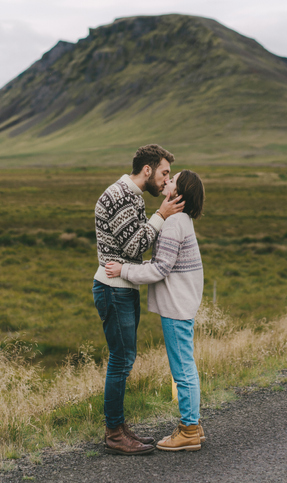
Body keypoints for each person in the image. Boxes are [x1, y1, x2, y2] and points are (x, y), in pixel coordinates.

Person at [93, 144, 185, 455]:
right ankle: (114, 434)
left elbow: (132, 248)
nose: (165, 180)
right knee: (121, 360)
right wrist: (161, 215)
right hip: (113, 287)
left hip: (122, 286)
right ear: (147, 170)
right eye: (164, 173)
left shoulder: (130, 195)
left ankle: (118, 428)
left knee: (124, 359)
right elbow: (134, 246)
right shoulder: (122, 195)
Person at [106, 169, 206, 452]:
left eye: (172, 180)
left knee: (182, 369)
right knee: (186, 365)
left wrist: (123, 269)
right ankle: (194, 425)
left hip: (176, 306)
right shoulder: (181, 221)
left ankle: (188, 430)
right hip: (181, 304)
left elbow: (160, 268)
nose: (167, 181)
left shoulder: (174, 224)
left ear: (179, 193)